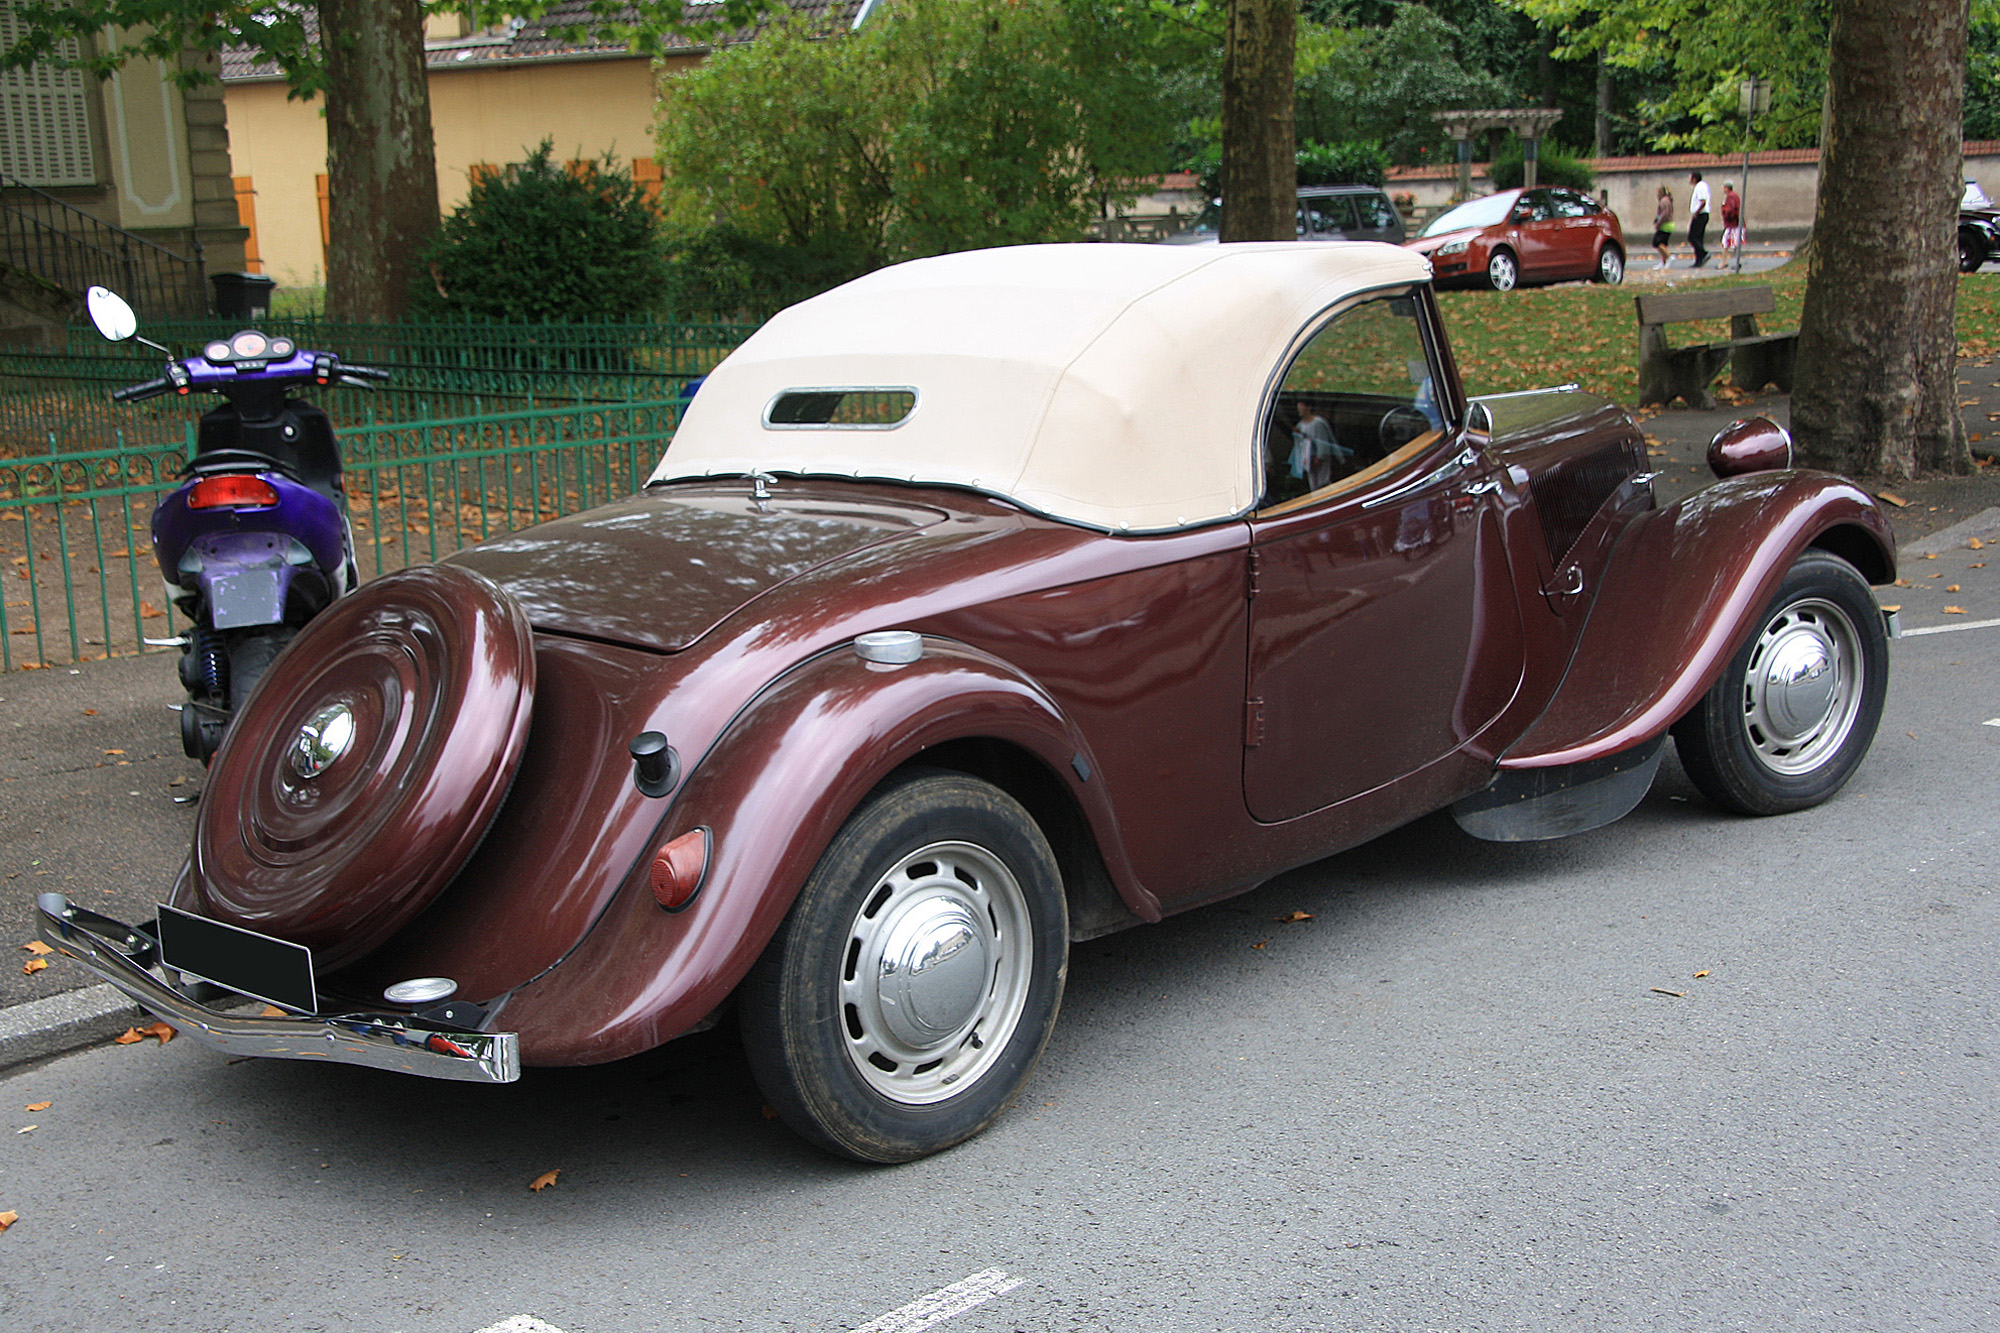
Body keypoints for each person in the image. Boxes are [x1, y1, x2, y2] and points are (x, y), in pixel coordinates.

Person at [1289, 401, 1353, 491]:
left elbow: (1322, 441)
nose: (1299, 411)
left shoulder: (1318, 423)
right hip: (1308, 459)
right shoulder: (1300, 425)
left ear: (1308, 408)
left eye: (1301, 408)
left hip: (1319, 459)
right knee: (1313, 483)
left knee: (1323, 482)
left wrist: (1319, 457)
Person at [1687, 171, 1712, 268]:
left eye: (1690, 177)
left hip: (1700, 215)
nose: (1689, 179)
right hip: (1702, 215)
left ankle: (1704, 253)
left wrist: (1696, 212)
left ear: (1694, 179)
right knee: (1698, 238)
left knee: (1692, 237)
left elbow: (1703, 202)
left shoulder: (1700, 187)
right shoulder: (1702, 186)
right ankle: (1699, 260)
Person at [1720, 181, 1744, 267]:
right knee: (1733, 243)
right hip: (1734, 224)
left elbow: (1731, 209)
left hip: (1732, 224)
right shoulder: (1734, 195)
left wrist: (1725, 213)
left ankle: (1725, 262)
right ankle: (1734, 262)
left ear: (1726, 188)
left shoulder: (1731, 196)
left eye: (1723, 188)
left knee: (1726, 242)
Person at [1652, 184, 1675, 268]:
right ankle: (1664, 262)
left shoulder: (1664, 201)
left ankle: (1669, 256)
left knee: (1657, 242)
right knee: (1663, 244)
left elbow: (1664, 214)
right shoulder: (1668, 200)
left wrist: (1658, 223)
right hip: (1669, 224)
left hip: (1665, 225)